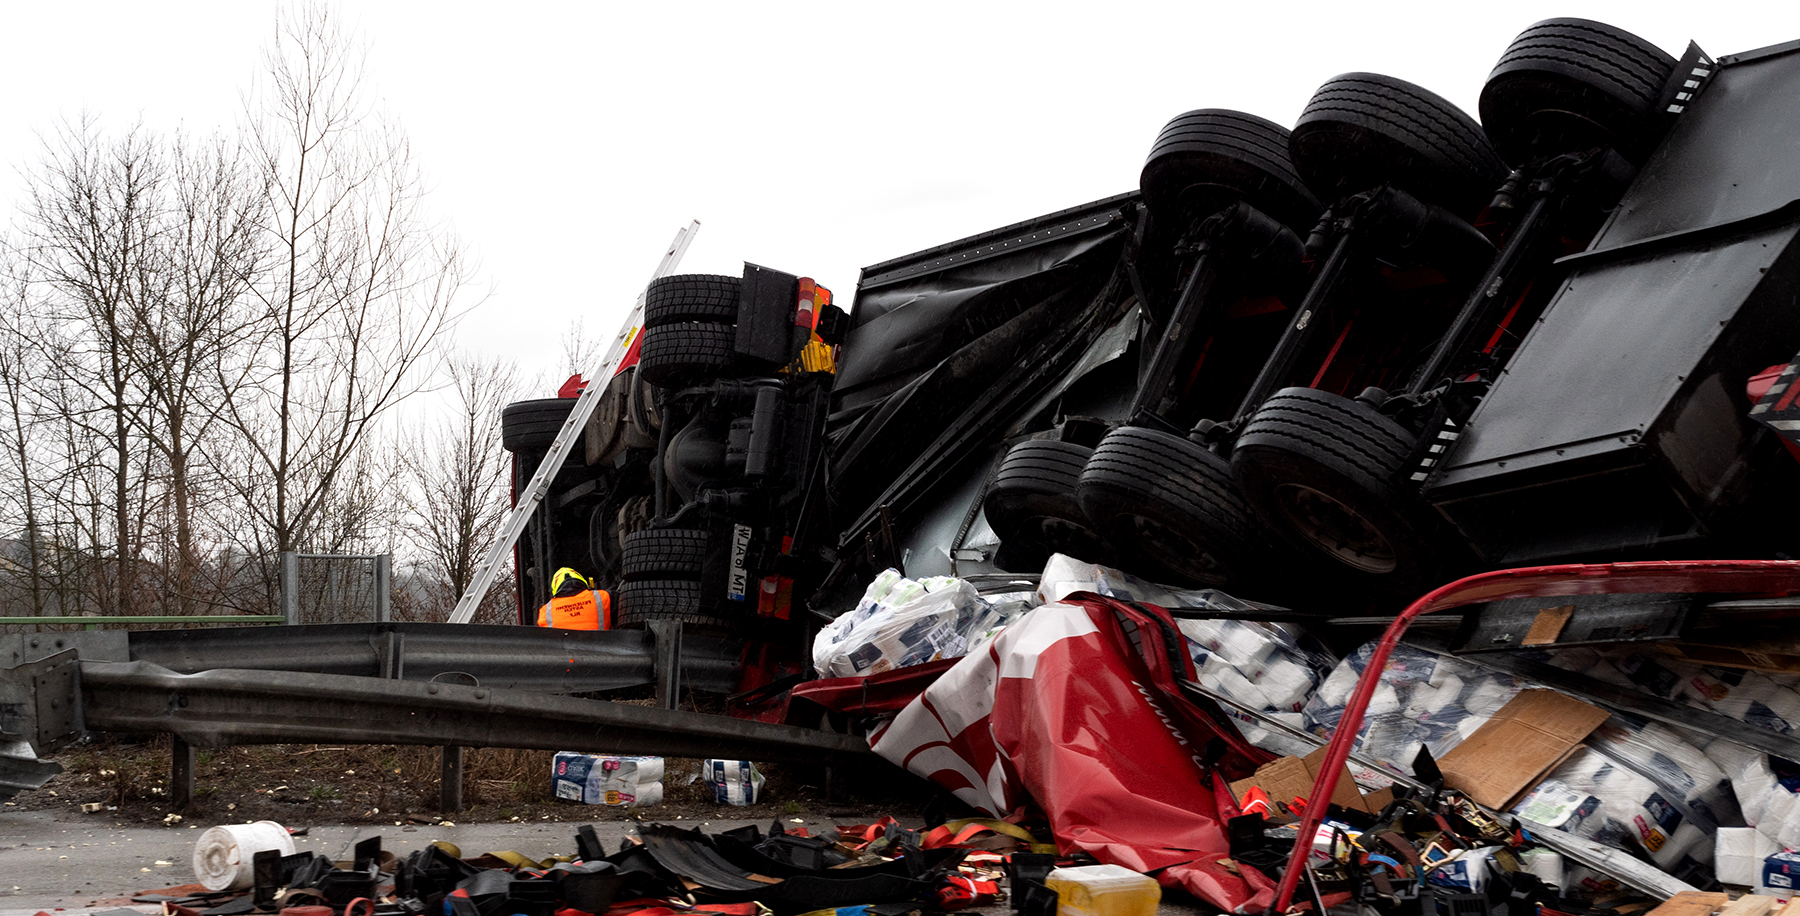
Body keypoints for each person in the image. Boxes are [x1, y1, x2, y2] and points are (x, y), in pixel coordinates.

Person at [536, 567, 612, 630]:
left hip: (565, 648)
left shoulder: (546, 611)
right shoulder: (602, 597)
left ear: (555, 590)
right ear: (583, 582)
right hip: (600, 646)